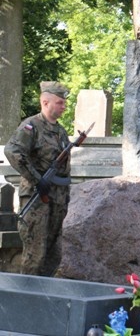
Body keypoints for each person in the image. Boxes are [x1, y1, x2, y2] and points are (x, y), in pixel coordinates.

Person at [4, 81, 71, 276]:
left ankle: (45, 297)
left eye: (64, 102)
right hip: (36, 199)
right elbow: (12, 151)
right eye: (59, 102)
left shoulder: (60, 131)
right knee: (36, 254)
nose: (64, 106)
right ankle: (27, 300)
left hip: (57, 200)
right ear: (45, 102)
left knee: (53, 254)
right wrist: (37, 179)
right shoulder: (31, 126)